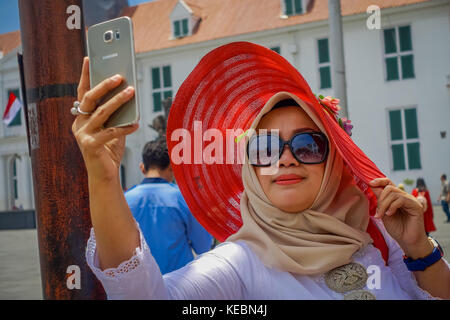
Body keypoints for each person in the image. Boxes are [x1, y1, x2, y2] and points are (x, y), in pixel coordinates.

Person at [72, 42, 450, 299]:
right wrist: (104, 179)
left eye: (307, 145)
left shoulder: (379, 234)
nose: (285, 159)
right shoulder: (240, 263)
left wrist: (420, 248)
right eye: (266, 147)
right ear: (251, 168)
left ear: (335, 161)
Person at [124, 139, 213, 274]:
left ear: (142, 167)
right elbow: (203, 246)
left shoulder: (125, 200)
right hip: (179, 283)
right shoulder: (184, 198)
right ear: (172, 167)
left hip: (139, 285)